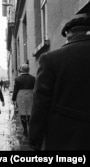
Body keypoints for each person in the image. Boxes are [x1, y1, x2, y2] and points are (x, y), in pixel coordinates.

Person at [29, 14, 90, 151]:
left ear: (68, 34)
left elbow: (40, 102)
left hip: (66, 138)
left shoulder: (51, 59)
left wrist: (35, 138)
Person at [12, 64, 35, 137]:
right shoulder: (33, 78)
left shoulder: (18, 79)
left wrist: (13, 99)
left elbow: (15, 90)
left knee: (22, 113)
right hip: (30, 96)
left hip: (21, 96)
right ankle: (30, 128)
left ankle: (25, 129)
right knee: (30, 112)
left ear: (21, 70)